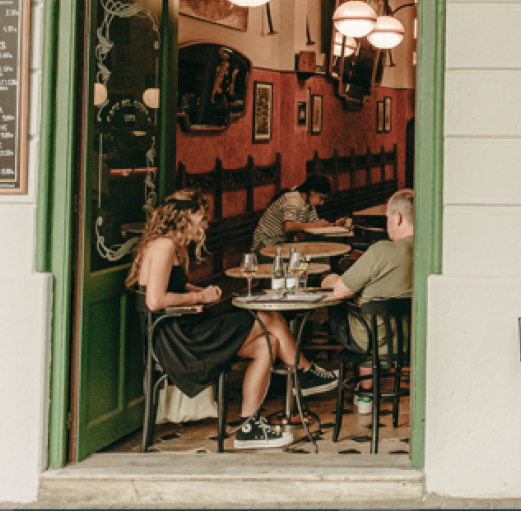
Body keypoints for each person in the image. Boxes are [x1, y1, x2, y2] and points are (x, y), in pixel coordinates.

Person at [129, 190, 340, 451]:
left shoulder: (173, 245)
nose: (205, 225)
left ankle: (248, 427)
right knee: (268, 316)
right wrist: (199, 297)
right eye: (202, 218)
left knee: (269, 343)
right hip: (179, 340)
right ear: (187, 217)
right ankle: (304, 373)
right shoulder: (164, 246)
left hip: (186, 329)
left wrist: (198, 291)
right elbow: (154, 300)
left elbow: (174, 285)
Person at [321, 188, 416, 410]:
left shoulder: (382, 250)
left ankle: (365, 393)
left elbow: (340, 291)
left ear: (398, 217)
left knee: (354, 309)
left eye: (387, 218)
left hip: (368, 341)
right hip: (411, 339)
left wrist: (330, 279)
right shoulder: (428, 251)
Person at [251, 175, 350, 253]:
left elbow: (315, 225)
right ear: (312, 192)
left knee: (322, 253)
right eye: (321, 198)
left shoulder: (308, 204)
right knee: (313, 257)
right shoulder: (293, 199)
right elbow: (288, 226)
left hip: (283, 244)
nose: (322, 203)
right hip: (266, 245)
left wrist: (333, 225)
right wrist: (315, 225)